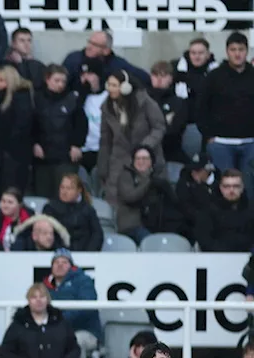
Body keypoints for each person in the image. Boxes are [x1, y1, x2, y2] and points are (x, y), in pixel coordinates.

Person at [98, 70, 167, 218]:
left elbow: (159, 127)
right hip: (118, 160)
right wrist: (103, 166)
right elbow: (105, 139)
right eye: (109, 85)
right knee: (115, 200)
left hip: (147, 159)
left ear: (125, 87)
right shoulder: (107, 107)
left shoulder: (145, 102)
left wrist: (144, 147)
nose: (110, 88)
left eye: (114, 85)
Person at [196, 32, 254, 195]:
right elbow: (201, 108)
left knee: (248, 190)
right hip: (221, 143)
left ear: (247, 51)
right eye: (233, 49)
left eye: (241, 49)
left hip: (251, 143)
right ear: (227, 51)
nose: (237, 53)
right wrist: (209, 135)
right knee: (224, 190)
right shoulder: (214, 77)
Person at [32, 65, 86, 201]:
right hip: (43, 157)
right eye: (57, 80)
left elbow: (81, 124)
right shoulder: (36, 99)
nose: (60, 84)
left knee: (65, 195)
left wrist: (77, 144)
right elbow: (30, 124)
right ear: (47, 79)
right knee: (43, 196)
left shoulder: (72, 100)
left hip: (66, 156)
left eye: (63, 81)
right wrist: (34, 143)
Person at [0, 65, 35, 195]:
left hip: (15, 153)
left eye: (1, 80)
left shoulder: (21, 96)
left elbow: (21, 125)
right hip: (5, 150)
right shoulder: (1, 96)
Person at [195, 170, 254, 253]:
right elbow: (204, 240)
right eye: (227, 186)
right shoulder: (208, 210)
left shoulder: (250, 209)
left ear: (242, 187)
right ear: (221, 188)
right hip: (216, 258)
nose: (231, 190)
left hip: (248, 259)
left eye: (236, 186)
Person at [42, 174, 104, 252]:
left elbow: (97, 234)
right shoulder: (50, 208)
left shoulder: (88, 210)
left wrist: (88, 254)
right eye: (62, 187)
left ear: (79, 190)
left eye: (69, 188)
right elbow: (46, 234)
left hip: (85, 255)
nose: (64, 192)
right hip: (58, 256)